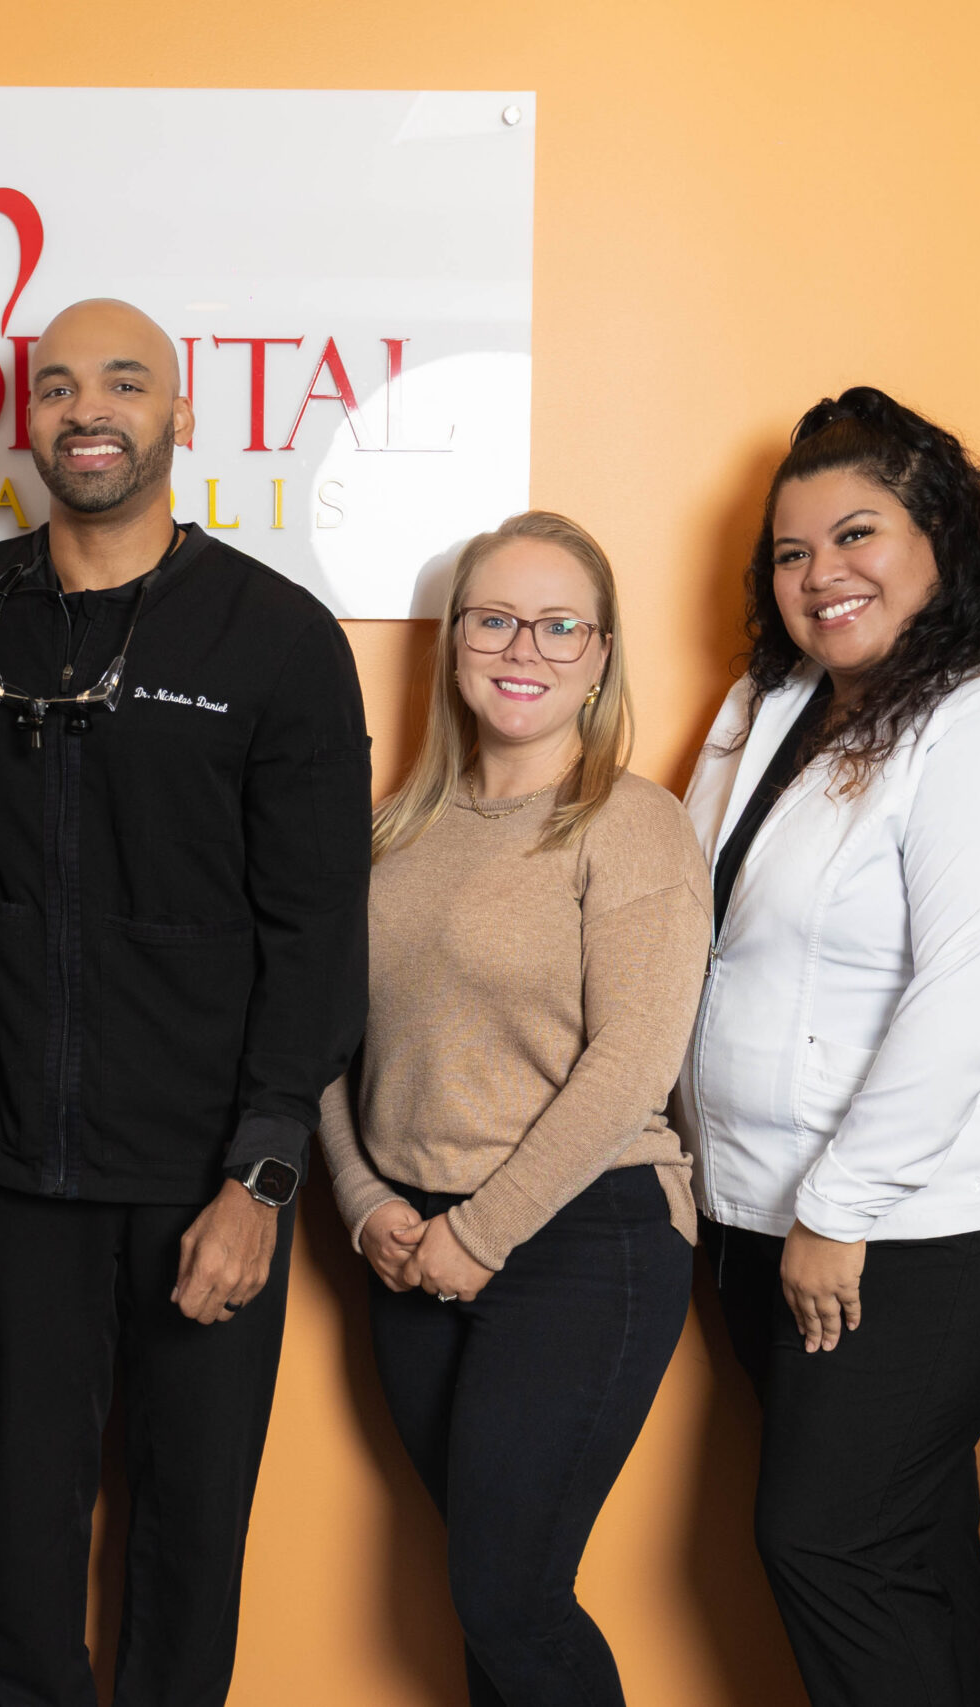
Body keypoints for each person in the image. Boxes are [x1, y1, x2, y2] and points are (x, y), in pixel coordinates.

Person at [0, 298, 372, 1707]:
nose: (87, 409)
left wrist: (262, 1176)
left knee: (193, 1532)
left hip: (204, 1174)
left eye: (124, 382)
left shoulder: (277, 637)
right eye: (57, 386)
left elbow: (319, 934)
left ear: (180, 414)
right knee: (18, 1531)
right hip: (6, 1170)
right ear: (28, 420)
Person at [673, 387, 980, 1707]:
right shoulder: (770, 698)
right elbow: (700, 920)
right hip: (756, 1204)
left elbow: (971, 1000)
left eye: (857, 535)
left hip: (921, 1222)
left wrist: (839, 1209)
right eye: (791, 553)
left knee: (829, 1538)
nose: (821, 574)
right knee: (902, 1541)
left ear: (940, 540)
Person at [314, 511, 707, 1707]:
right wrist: (362, 1200)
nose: (522, 648)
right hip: (408, 1243)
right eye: (492, 619)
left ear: (600, 655)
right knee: (490, 1597)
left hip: (581, 1238)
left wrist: (481, 1236)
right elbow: (320, 1039)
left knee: (506, 1596)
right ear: (454, 642)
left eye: (557, 625)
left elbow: (633, 1060)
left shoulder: (628, 823)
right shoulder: (393, 832)